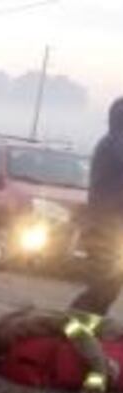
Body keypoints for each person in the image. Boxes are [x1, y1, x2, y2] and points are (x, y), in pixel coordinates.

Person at [0, 307, 123, 393]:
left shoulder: (54, 322)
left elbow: (84, 340)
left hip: (112, 335)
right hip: (97, 335)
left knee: (100, 361)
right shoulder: (23, 327)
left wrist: (98, 372)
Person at [70, 98, 123, 316]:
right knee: (103, 288)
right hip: (104, 228)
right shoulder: (113, 143)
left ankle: (85, 332)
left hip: (111, 227)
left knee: (108, 289)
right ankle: (70, 331)